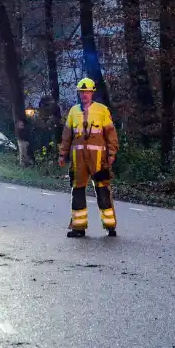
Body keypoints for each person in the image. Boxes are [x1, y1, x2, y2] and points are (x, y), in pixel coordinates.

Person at [58, 78, 119, 238]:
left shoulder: (102, 110)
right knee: (77, 190)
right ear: (79, 93)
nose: (84, 95)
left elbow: (111, 134)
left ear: (92, 93)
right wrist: (62, 154)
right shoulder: (73, 112)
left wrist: (112, 153)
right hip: (78, 159)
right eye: (81, 92)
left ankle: (110, 226)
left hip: (99, 159)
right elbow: (66, 136)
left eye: (87, 92)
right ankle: (78, 227)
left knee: (103, 190)